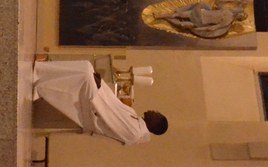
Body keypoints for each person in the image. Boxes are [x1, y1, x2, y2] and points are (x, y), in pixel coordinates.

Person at [30, 59, 167, 145]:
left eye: (156, 114)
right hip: (98, 106)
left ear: (155, 124)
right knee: (87, 67)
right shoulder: (137, 121)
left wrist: (98, 89)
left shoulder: (135, 132)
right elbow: (112, 104)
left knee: (85, 75)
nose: (153, 111)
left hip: (93, 117)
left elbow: (109, 116)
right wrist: (100, 85)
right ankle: (43, 70)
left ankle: (40, 82)